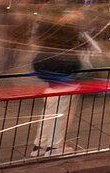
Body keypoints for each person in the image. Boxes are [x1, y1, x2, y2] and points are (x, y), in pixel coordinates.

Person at [30, 9, 84, 156]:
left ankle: (39, 145)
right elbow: (76, 46)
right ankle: (54, 146)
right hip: (64, 77)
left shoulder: (48, 33)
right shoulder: (65, 33)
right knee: (61, 113)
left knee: (49, 111)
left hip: (52, 79)